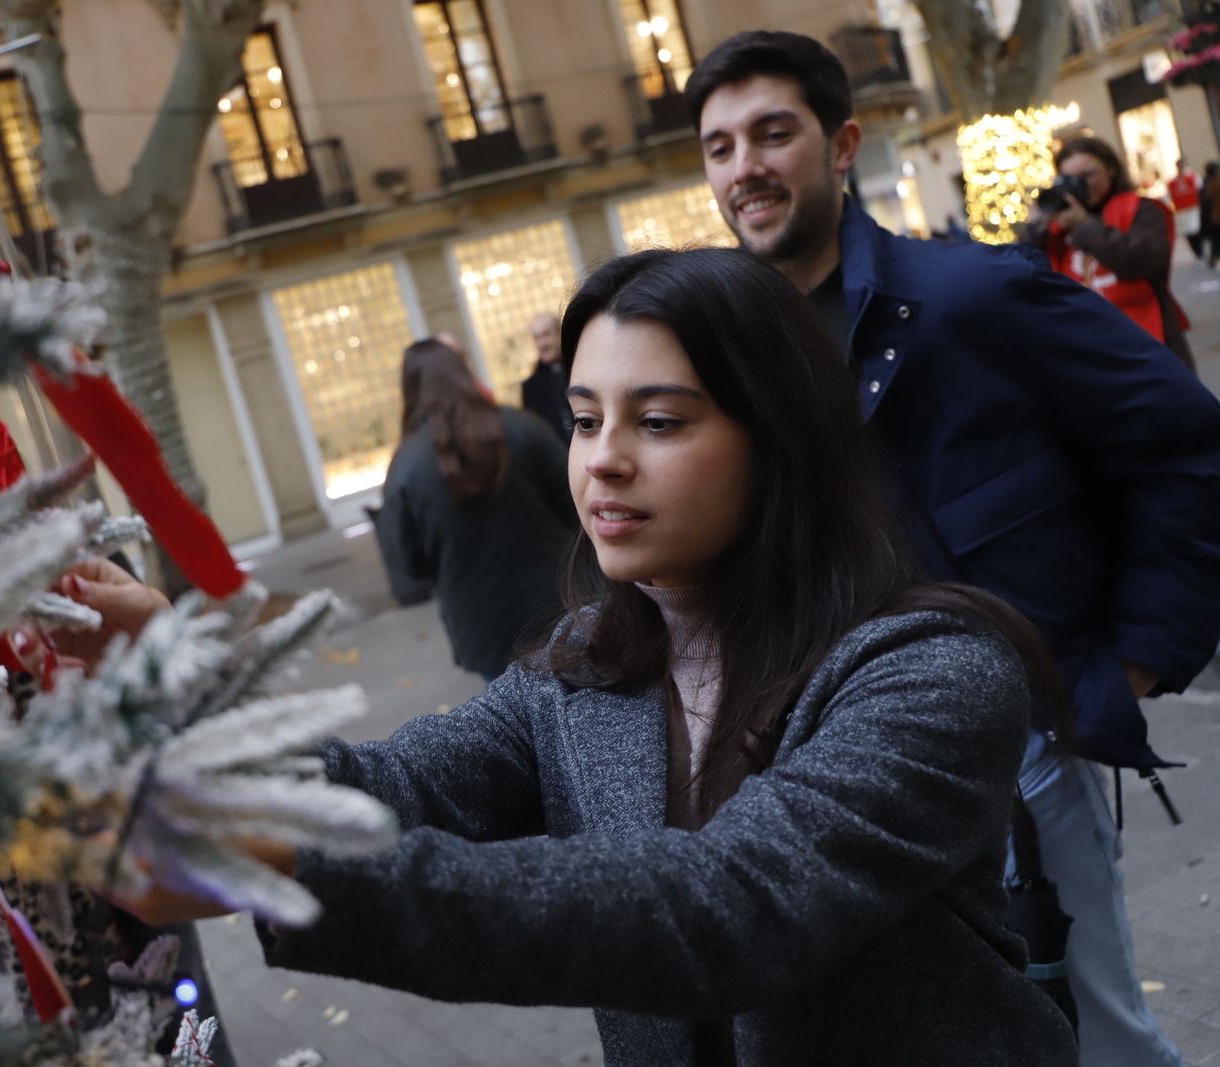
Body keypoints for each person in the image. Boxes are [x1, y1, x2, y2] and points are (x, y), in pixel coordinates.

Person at [84, 247, 1078, 1065]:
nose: (602, 457)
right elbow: (388, 784)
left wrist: (283, 863)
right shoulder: (586, 662)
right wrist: (172, 676)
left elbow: (727, 907)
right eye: (586, 418)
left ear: (779, 441)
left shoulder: (930, 668)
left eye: (658, 421)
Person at [683, 30, 1220, 1067]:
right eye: (717, 147)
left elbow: (1188, 447)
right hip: (830, 776)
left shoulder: (972, 297)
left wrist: (1128, 665)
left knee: (1094, 1039)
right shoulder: (732, 362)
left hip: (1015, 760)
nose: (742, 166)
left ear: (841, 146)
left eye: (770, 133)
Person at [373, 337, 575, 679]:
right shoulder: (521, 427)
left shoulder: (405, 467)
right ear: (463, 372)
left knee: (516, 726)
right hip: (562, 605)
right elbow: (576, 503)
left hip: (484, 628)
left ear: (409, 389)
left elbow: (410, 566)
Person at [1023, 135, 1194, 369]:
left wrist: (1084, 225)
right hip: (1090, 351)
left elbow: (1144, 260)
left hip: (1149, 344)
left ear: (1111, 169)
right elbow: (1027, 272)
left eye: (1087, 175)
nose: (1082, 185)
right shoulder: (1058, 226)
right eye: (1069, 179)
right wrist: (1037, 229)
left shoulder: (1141, 209)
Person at [520, 311, 572, 442]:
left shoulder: (580, 367)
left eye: (546, 335)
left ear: (559, 333)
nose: (542, 344)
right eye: (537, 338)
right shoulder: (531, 388)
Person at [1167, 157, 1204, 259]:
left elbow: (1201, 191)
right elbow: (1168, 197)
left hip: (1194, 209)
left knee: (1198, 231)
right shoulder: (1172, 182)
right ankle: (1198, 252)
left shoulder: (1194, 177)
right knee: (1189, 232)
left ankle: (1201, 251)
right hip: (1182, 211)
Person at [1203, 161, 1220, 268]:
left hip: (1214, 217)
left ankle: (1213, 259)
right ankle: (1213, 259)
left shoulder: (1206, 184)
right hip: (1216, 216)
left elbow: (1205, 204)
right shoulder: (1215, 184)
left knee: (1216, 241)